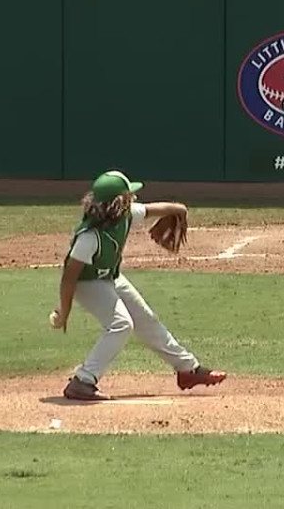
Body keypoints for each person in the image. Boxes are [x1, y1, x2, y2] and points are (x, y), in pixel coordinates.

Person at [51, 170, 227, 401]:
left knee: (146, 319)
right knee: (121, 324)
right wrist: (64, 312)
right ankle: (82, 381)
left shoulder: (126, 215)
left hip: (111, 278)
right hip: (87, 283)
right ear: (119, 202)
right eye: (129, 195)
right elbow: (69, 277)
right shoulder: (89, 237)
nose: (133, 198)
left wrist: (179, 209)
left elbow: (153, 209)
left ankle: (188, 370)